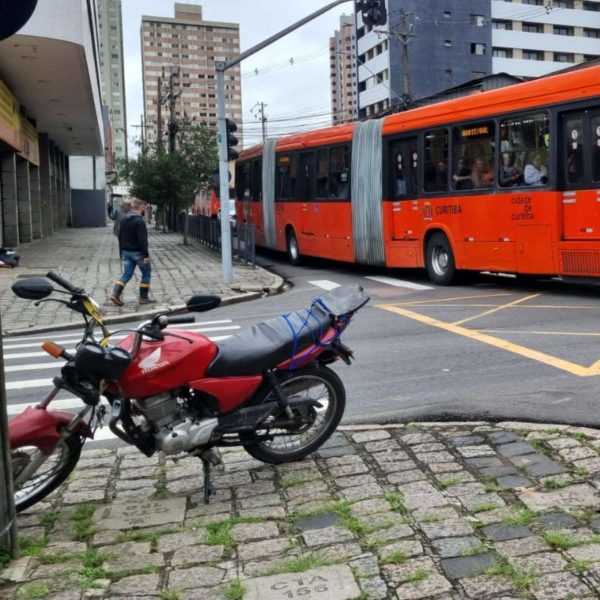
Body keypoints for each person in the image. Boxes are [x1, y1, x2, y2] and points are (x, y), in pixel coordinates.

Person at [110, 199, 154, 306]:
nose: (145, 208)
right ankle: (143, 298)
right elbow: (142, 240)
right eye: (144, 206)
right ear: (140, 207)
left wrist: (122, 251)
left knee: (127, 274)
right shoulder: (139, 221)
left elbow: (121, 236)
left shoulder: (124, 219)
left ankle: (115, 294)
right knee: (146, 273)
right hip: (138, 253)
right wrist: (146, 255)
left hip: (126, 252)